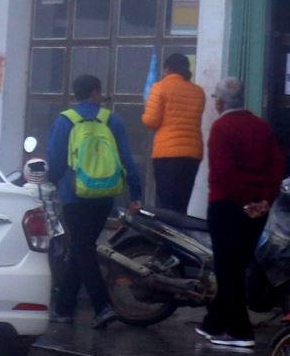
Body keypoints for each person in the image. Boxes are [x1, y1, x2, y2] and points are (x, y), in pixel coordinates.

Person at [47, 74, 144, 328]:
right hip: (104, 195)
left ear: (75, 94)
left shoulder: (64, 121)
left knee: (83, 248)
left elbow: (55, 162)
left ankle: (103, 306)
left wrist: (49, 186)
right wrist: (136, 193)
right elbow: (127, 159)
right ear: (95, 93)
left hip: (74, 195)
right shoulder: (112, 120)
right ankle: (64, 308)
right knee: (83, 247)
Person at [196, 78, 285, 349]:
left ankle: (239, 331)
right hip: (256, 208)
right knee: (238, 264)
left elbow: (224, 170)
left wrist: (245, 201)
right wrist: (264, 200)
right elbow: (277, 165)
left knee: (227, 269)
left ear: (220, 102)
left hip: (227, 205)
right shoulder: (261, 126)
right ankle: (214, 321)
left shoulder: (222, 127)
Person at [142, 52, 206, 212]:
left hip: (167, 154)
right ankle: (180, 234)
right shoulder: (198, 92)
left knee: (167, 204)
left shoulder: (159, 87)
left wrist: (145, 113)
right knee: (182, 203)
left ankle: (166, 236)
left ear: (167, 69)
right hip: (192, 153)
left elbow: (151, 121)